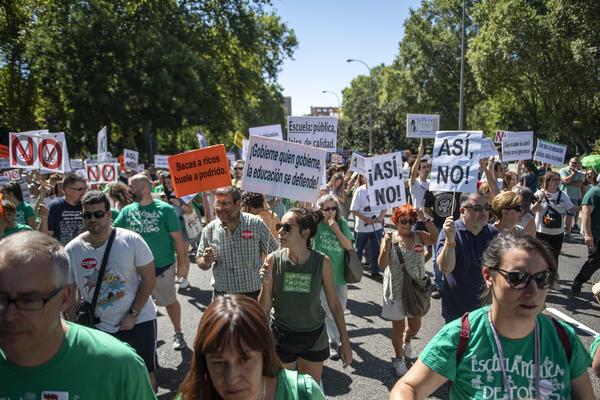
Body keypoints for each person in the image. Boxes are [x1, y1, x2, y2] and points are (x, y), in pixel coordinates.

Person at [389, 231, 594, 399]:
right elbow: (408, 388)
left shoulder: (563, 338)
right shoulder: (462, 336)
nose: (532, 291)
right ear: (489, 276)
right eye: (517, 278)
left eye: (542, 278)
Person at [0, 231, 156, 399]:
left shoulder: (118, 366)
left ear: (64, 298)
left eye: (29, 301)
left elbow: (149, 278)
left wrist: (133, 314)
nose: (9, 315)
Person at [65, 191, 158, 389]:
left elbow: (149, 279)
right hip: (98, 327)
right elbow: (69, 291)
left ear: (109, 214)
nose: (92, 219)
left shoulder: (131, 240)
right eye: (87, 215)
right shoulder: (72, 249)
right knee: (107, 379)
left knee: (145, 376)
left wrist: (132, 314)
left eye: (98, 214)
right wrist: (73, 324)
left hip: (138, 321)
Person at [259, 208, 352, 384]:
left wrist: (345, 341)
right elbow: (263, 308)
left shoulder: (322, 262)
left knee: (310, 390)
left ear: (306, 232)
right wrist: (265, 283)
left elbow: (334, 304)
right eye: (279, 226)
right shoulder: (272, 260)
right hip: (281, 336)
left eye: (287, 227)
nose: (280, 231)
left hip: (313, 337)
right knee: (284, 390)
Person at [178, 294, 325, 399]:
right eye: (218, 362)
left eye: (244, 359)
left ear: (265, 354)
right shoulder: (191, 396)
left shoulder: (303, 394)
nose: (232, 378)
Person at [114, 174, 189, 351]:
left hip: (162, 267)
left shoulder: (165, 210)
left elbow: (177, 239)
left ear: (144, 188)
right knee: (136, 307)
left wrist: (182, 263)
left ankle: (178, 332)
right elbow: (114, 232)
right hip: (134, 271)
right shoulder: (127, 211)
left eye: (132, 186)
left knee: (169, 301)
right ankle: (144, 340)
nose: (129, 190)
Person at [378, 205, 438, 376]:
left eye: (411, 221)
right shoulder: (389, 238)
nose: (407, 224)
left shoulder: (419, 236)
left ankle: (407, 339)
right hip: (395, 289)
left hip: (416, 290)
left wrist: (425, 218)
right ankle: (398, 359)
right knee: (397, 328)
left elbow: (436, 238)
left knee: (415, 326)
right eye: (403, 221)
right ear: (395, 221)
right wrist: (386, 247)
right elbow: (381, 265)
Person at [196, 186, 279, 299]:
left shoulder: (255, 224)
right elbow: (200, 260)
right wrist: (205, 261)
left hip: (254, 295)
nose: (220, 208)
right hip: (223, 297)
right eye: (217, 203)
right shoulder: (209, 229)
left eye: (225, 203)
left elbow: (276, 252)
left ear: (238, 204)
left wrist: (268, 272)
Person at [436, 191, 499, 322]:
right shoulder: (451, 231)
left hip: (487, 309)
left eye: (487, 207)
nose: (484, 212)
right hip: (457, 311)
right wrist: (450, 240)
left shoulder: (494, 234)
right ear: (462, 210)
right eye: (477, 208)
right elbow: (446, 268)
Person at [313, 194, 354, 359]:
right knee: (328, 310)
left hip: (340, 275)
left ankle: (334, 334)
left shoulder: (342, 223)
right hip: (322, 276)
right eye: (326, 209)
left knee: (340, 309)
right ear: (320, 211)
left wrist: (336, 229)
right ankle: (334, 340)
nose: (330, 212)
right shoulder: (316, 225)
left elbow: (348, 246)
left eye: (333, 208)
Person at [423, 190, 461, 299]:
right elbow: (426, 208)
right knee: (437, 258)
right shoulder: (431, 189)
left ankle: (454, 285)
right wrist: (435, 217)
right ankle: (439, 286)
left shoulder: (457, 187)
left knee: (454, 255)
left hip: (456, 227)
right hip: (439, 227)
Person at [532, 171, 576, 264]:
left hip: (558, 233)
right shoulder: (539, 193)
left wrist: (584, 205)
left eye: (558, 179)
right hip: (542, 232)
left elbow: (571, 208)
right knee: (541, 257)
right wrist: (540, 199)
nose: (557, 182)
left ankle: (552, 277)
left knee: (554, 258)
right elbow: (533, 210)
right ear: (547, 181)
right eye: (554, 179)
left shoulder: (563, 195)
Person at [350, 175, 386, 279]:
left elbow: (385, 207)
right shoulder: (359, 191)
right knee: (358, 251)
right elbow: (354, 209)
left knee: (376, 250)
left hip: (376, 227)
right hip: (362, 228)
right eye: (367, 177)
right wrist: (366, 219)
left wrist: (380, 217)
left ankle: (375, 271)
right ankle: (355, 271)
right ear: (364, 178)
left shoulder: (380, 190)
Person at [39, 172, 87, 245]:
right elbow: (44, 239)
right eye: (80, 189)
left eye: (85, 188)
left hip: (85, 254)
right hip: (62, 254)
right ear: (68, 191)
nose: (85, 192)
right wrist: (44, 218)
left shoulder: (88, 205)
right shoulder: (55, 206)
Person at [571, 182, 600, 296]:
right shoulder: (594, 192)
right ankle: (579, 280)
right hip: (596, 234)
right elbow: (585, 213)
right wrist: (588, 234)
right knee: (595, 261)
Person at [560, 157, 585, 234]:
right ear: (569, 162)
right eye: (573, 162)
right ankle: (560, 231)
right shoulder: (563, 170)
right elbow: (564, 180)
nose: (574, 164)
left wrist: (567, 182)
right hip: (563, 195)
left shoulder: (581, 173)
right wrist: (573, 174)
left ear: (578, 164)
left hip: (575, 196)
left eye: (576, 163)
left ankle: (567, 232)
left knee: (570, 215)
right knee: (561, 214)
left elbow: (579, 184)